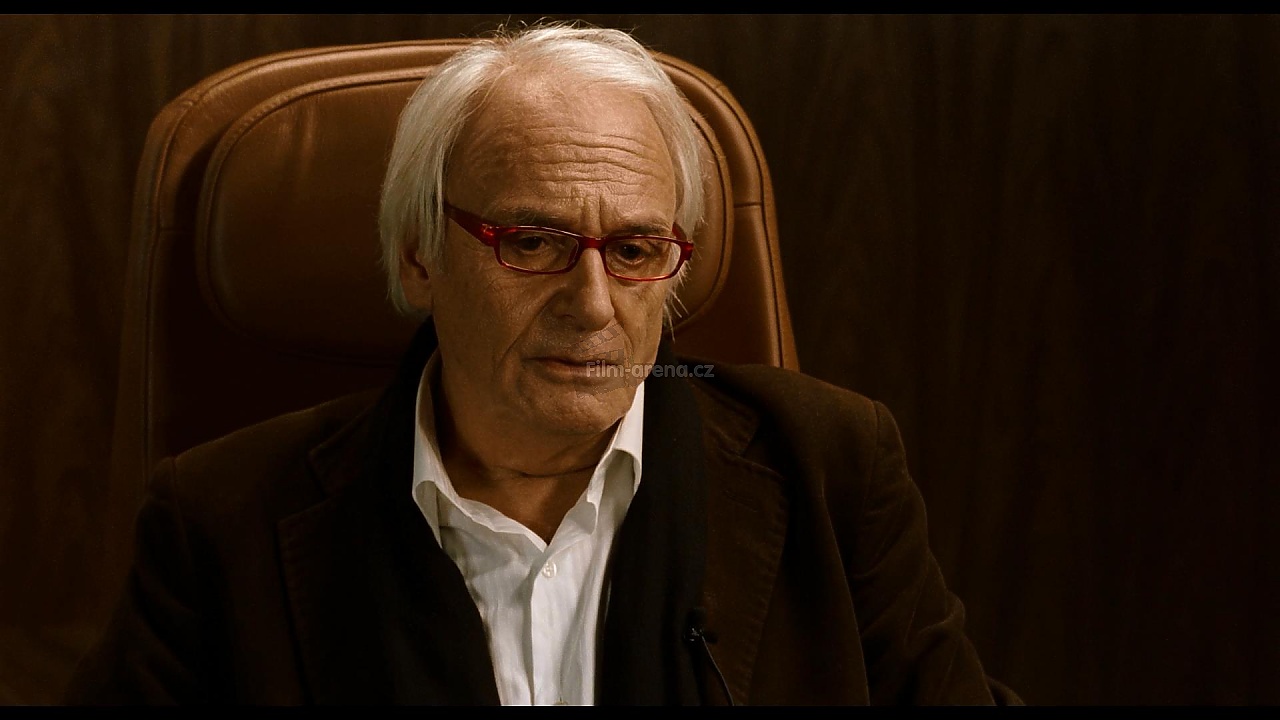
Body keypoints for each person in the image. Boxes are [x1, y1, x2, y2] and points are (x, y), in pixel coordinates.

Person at [65, 22, 1020, 706]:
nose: (594, 304)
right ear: (419, 255)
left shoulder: (831, 465)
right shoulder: (219, 520)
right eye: (531, 241)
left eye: (636, 249)